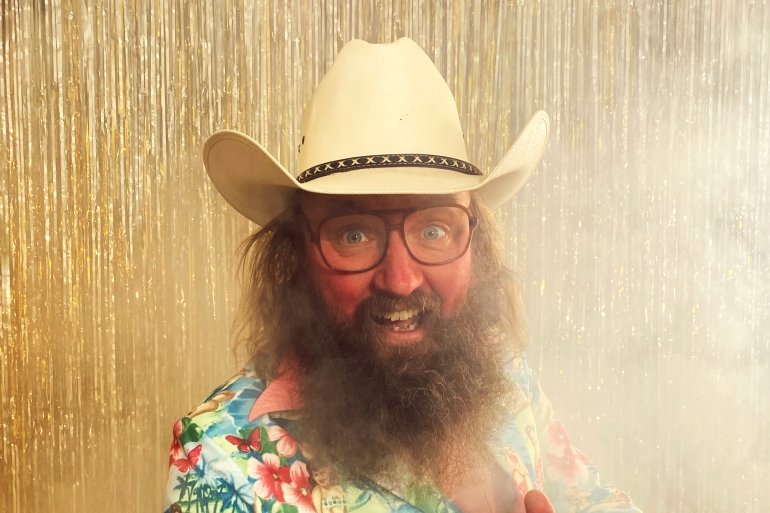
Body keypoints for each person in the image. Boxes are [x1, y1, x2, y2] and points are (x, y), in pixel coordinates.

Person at [163, 38, 641, 513]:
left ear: (475, 243)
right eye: (354, 235)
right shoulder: (221, 460)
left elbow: (594, 500)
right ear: (296, 256)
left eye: (434, 230)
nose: (400, 280)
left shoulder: (499, 368)